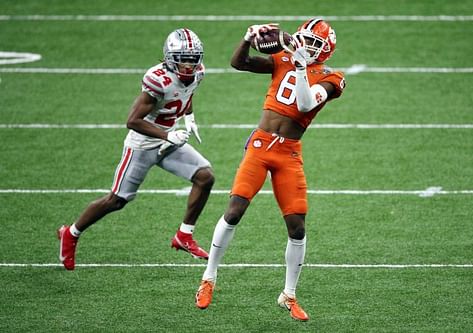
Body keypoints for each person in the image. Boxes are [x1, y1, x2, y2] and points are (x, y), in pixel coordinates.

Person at [194, 19, 346, 321]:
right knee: (234, 210)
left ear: (326, 51)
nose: (307, 47)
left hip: (289, 152)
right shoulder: (284, 58)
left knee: (297, 227)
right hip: (261, 146)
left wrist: (301, 67)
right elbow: (239, 63)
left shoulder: (333, 78)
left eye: (315, 44)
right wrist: (247, 38)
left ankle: (288, 295)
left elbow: (304, 105)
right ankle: (208, 278)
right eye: (305, 40)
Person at [57, 28, 215, 270]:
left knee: (205, 177)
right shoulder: (157, 79)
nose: (189, 65)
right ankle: (72, 232)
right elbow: (132, 121)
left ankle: (184, 236)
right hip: (142, 143)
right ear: (171, 58)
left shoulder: (198, 73)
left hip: (168, 140)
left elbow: (187, 94)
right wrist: (168, 135)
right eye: (183, 59)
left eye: (193, 59)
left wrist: (189, 117)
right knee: (117, 200)